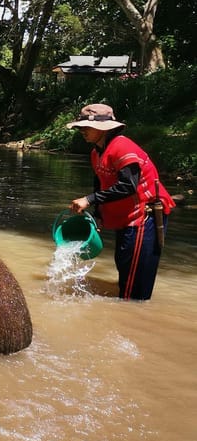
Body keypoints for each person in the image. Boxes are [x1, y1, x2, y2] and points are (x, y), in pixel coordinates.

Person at [66, 103, 175, 301]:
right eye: (80, 127)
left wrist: (89, 200)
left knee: (134, 285)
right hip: (126, 217)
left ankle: (134, 318)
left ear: (104, 128)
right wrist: (98, 214)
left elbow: (128, 186)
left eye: (86, 127)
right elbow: (99, 182)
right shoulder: (96, 152)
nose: (82, 131)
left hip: (144, 216)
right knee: (124, 266)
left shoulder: (122, 147)